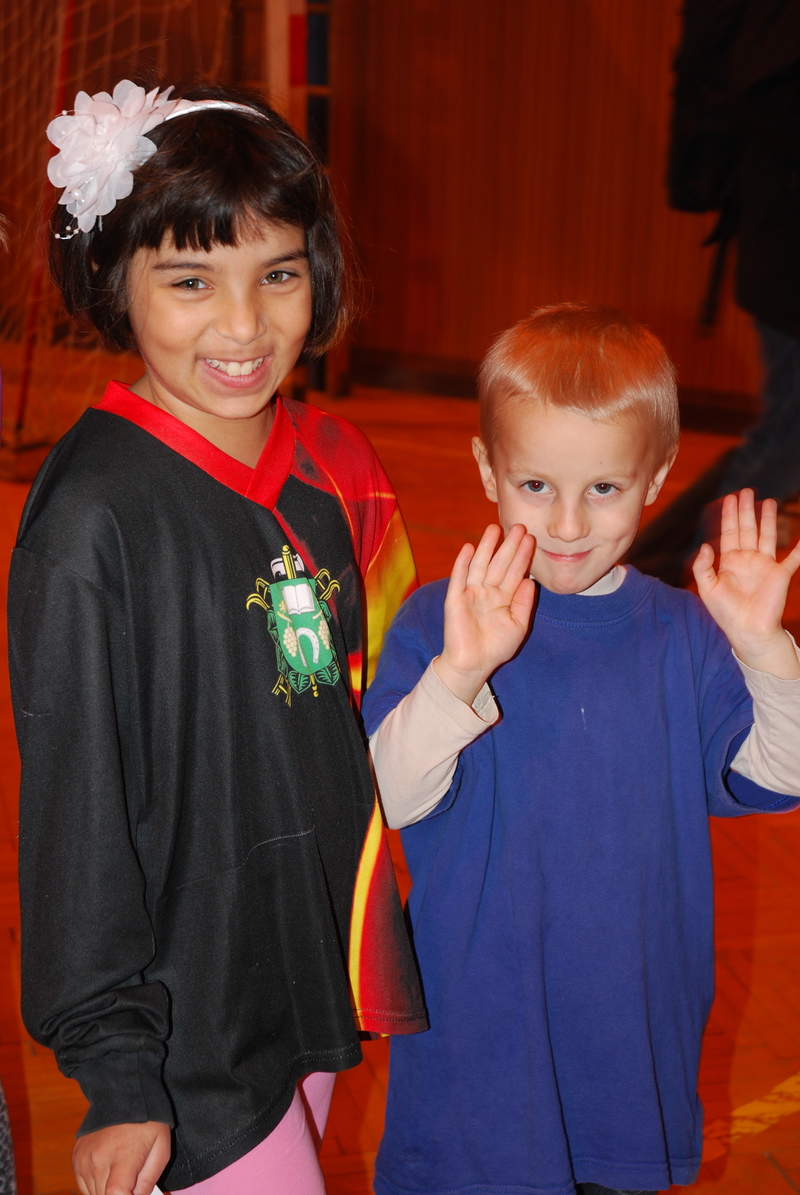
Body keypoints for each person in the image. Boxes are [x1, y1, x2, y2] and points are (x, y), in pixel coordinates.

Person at [8, 79, 426, 1195]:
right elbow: (74, 813)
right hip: (186, 1029)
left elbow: (388, 717)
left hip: (318, 970)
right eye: (191, 280)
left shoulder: (340, 469)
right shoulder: (92, 519)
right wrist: (117, 1067)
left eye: (277, 274)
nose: (244, 326)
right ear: (114, 277)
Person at [363, 303, 800, 1195]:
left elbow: (779, 774)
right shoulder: (440, 622)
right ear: (487, 468)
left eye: (603, 488)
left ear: (656, 476)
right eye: (535, 484)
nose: (566, 524)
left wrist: (766, 651)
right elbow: (389, 799)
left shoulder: (685, 636)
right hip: (475, 1056)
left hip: (628, 1057)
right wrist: (458, 674)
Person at [628, 0, 800, 584]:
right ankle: (667, 568)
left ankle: (662, 564)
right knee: (787, 434)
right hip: (785, 245)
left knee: (785, 433)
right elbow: (765, 94)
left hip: (777, 237)